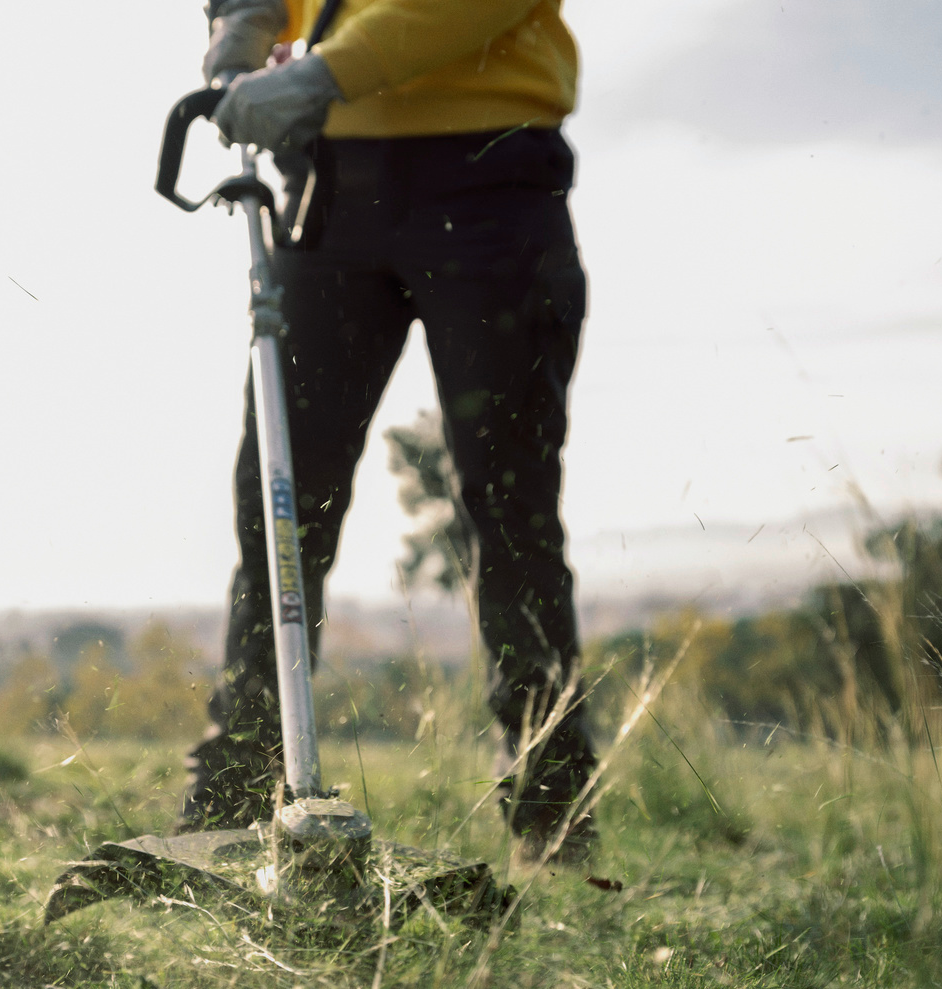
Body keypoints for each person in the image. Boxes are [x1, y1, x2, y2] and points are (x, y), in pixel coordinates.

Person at [181, 0, 596, 861]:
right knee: (281, 496)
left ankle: (552, 806)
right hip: (330, 189)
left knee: (508, 502)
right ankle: (239, 785)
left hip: (491, 177)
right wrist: (240, 25)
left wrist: (322, 72)